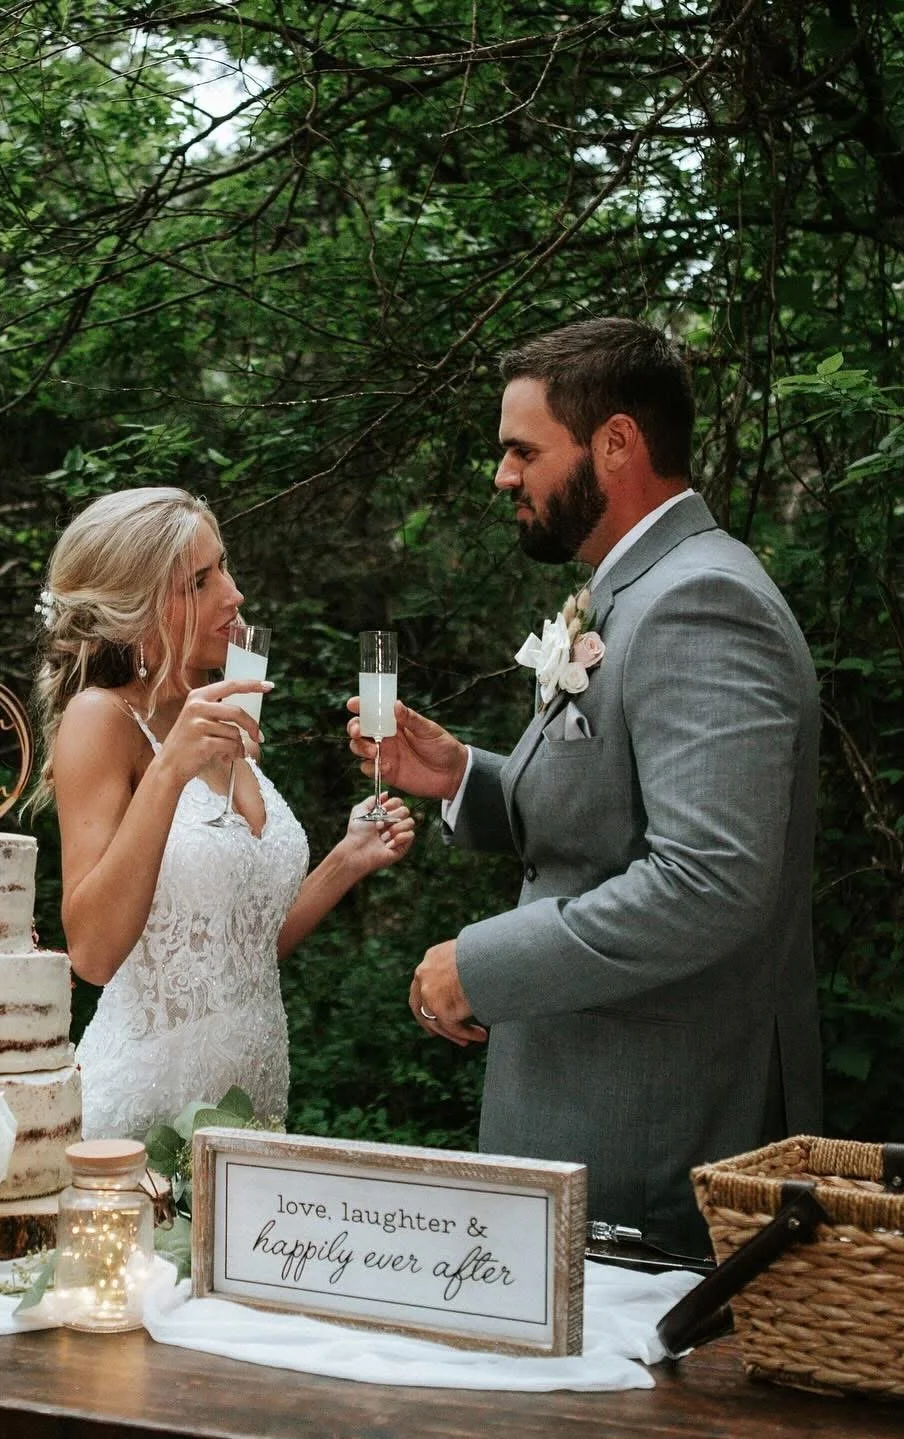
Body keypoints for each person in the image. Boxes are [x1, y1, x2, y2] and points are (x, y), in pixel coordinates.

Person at [349, 318, 822, 1256]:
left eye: (523, 450)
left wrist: (481, 964)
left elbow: (708, 881)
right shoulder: (632, 589)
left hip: (653, 1138)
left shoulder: (702, 601)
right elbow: (610, 819)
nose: (503, 475)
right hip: (585, 1121)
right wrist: (463, 777)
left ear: (616, 442)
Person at [36, 487, 415, 1140]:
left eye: (225, 567)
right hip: (138, 1124)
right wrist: (170, 768)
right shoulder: (102, 718)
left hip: (248, 1118)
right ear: (140, 604)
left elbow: (240, 951)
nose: (233, 594)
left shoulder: (225, 722)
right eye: (201, 581)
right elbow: (92, 954)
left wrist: (346, 860)